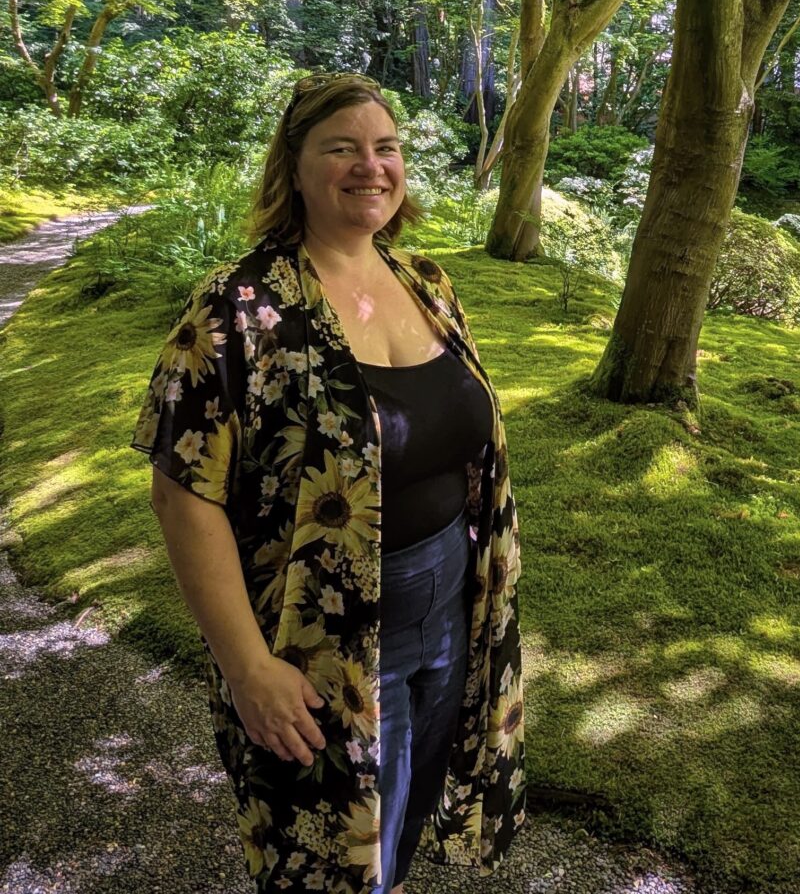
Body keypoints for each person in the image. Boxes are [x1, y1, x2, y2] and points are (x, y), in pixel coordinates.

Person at [130, 72, 527, 893]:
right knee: (328, 852)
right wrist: (247, 669)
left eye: (385, 148)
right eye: (340, 148)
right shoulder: (237, 310)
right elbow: (181, 493)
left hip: (451, 602)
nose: (369, 166)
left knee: (408, 812)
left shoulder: (427, 283)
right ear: (296, 167)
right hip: (319, 635)